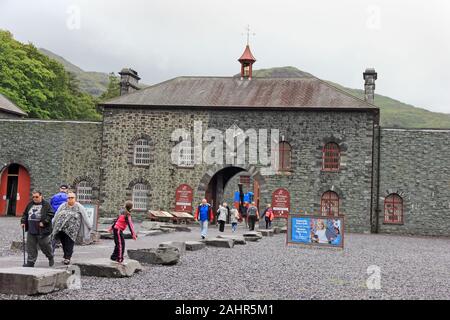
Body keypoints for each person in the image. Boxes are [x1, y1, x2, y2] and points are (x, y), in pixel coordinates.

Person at [52, 192, 92, 265]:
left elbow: (85, 216)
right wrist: (53, 224)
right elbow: (56, 215)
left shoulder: (79, 206)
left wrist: (89, 226)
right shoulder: (62, 205)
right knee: (63, 242)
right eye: (69, 198)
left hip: (72, 230)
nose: (70, 199)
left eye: (72, 198)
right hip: (61, 228)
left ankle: (67, 258)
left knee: (69, 242)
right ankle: (65, 256)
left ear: (75, 198)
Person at [20, 190, 55, 267]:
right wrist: (23, 222)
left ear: (41, 196)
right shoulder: (30, 204)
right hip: (31, 229)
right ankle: (30, 262)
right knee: (31, 246)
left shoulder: (46, 204)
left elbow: (51, 214)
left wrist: (44, 222)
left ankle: (50, 256)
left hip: (42, 230)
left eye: (36, 197)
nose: (35, 198)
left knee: (45, 245)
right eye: (33, 197)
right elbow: (25, 214)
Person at [50, 184, 69, 253]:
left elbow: (50, 206)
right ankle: (66, 253)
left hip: (55, 217)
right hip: (65, 218)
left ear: (60, 189)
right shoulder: (68, 197)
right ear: (66, 190)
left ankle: (52, 251)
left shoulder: (54, 197)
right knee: (65, 235)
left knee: (54, 234)